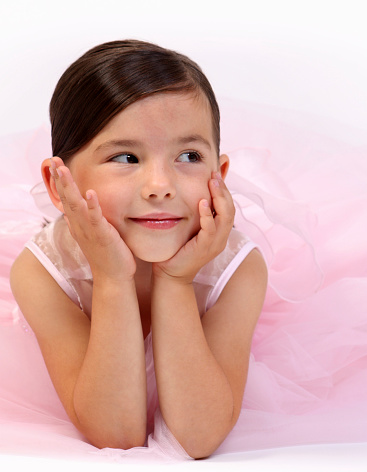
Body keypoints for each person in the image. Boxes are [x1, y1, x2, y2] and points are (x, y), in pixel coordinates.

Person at [9, 40, 268, 459]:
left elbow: (198, 438)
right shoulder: (43, 271)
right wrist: (111, 278)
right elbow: (116, 435)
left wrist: (176, 281)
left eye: (188, 155)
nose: (160, 186)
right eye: (126, 157)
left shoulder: (238, 268)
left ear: (219, 175)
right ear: (60, 185)